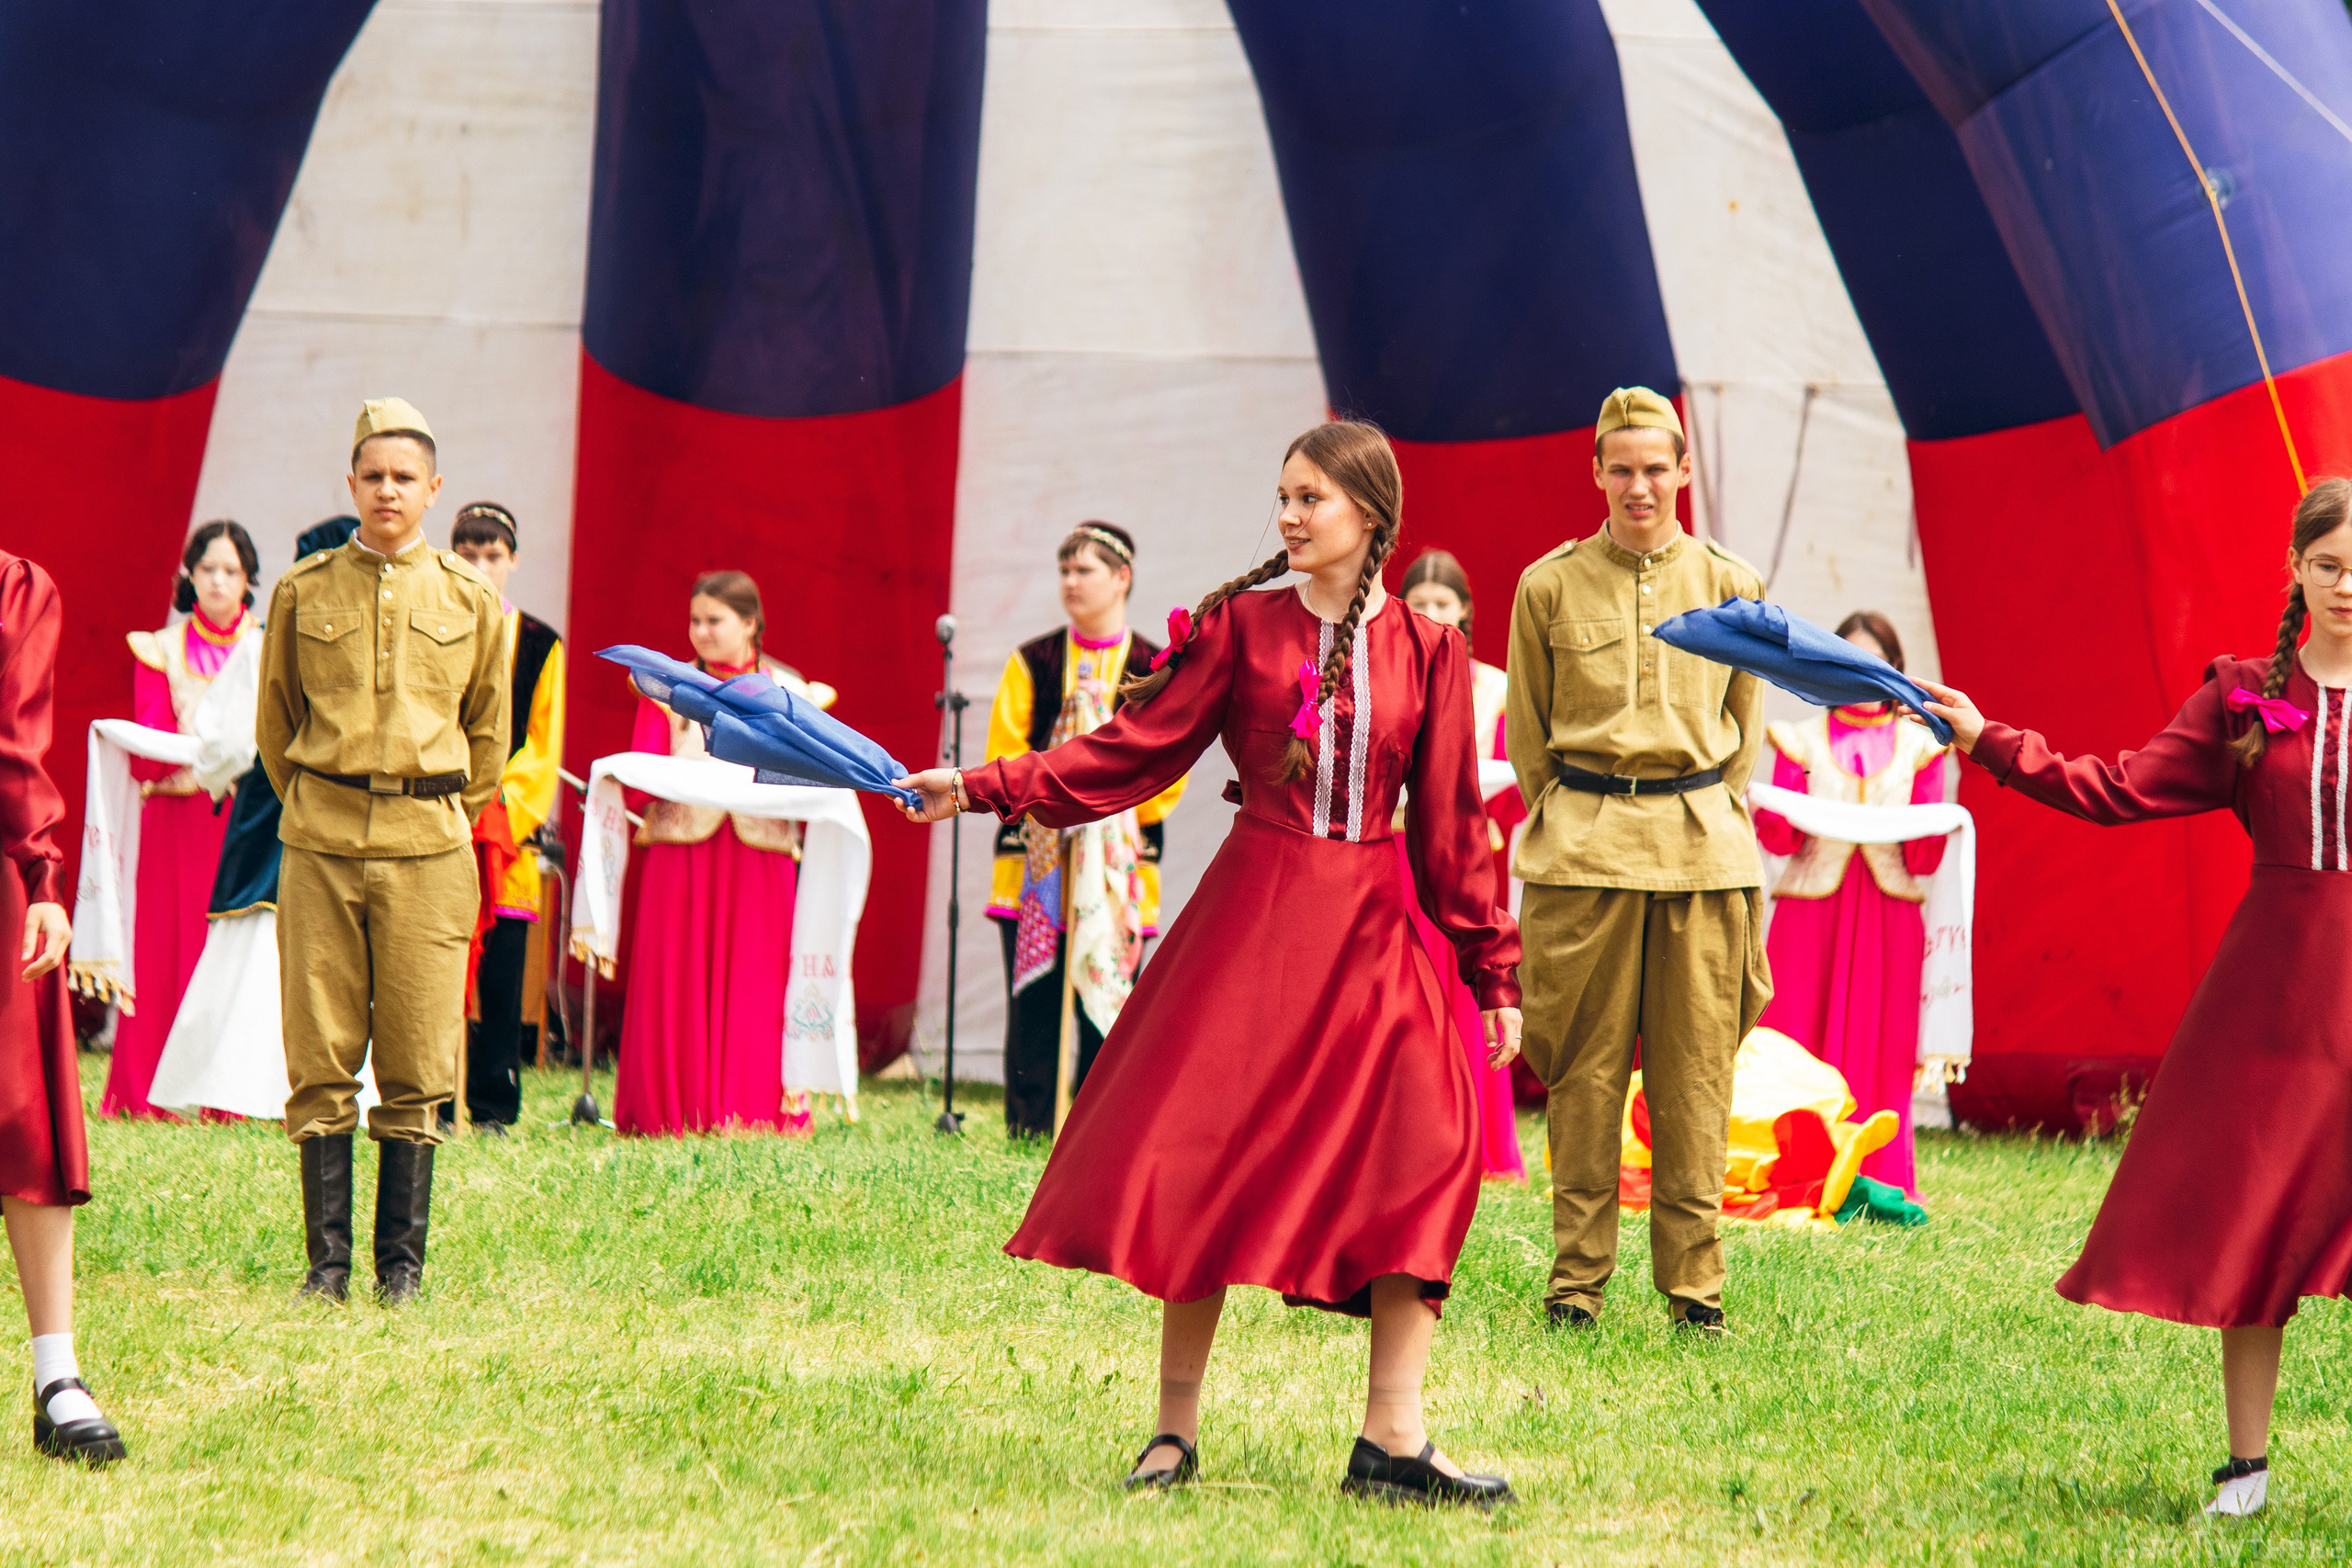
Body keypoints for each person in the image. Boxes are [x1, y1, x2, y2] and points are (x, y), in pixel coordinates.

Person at [897, 421, 1523, 1506]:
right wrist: (982, 784)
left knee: (1427, 1146)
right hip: (1256, 922)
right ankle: (1172, 1432)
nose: (1286, 515)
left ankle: (1393, 1442)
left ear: (1367, 515)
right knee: (1202, 1155)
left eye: (1309, 499)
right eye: (1280, 495)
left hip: (1374, 933)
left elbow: (1455, 827)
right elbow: (1129, 754)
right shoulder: (1243, 625)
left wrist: (1490, 967)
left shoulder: (1429, 651)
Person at [1919, 477, 2352, 1519]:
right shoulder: (2244, 694)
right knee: (2260, 1233)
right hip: (2276, 999)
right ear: (2296, 568)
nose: (2348, 586)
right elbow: (2117, 788)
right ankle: (2244, 1476)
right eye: (2331, 565)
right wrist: (1992, 742)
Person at [1506, 386, 1770, 1337]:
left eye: (1655, 468)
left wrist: (1703, 807)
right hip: (1581, 856)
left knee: (1696, 1080)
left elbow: (1746, 729)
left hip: (1700, 854)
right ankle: (1575, 1287)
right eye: (1620, 469)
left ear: (1683, 470)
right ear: (1596, 474)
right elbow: (1529, 735)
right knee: (1581, 1078)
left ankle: (1694, 1292)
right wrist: (1569, 815)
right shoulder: (1549, 584)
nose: (1638, 486)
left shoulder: (1734, 586)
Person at [256, 399, 507, 1304]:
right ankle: (325, 1271)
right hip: (320, 836)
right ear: (353, 484)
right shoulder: (303, 588)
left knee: (417, 1055)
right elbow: (275, 723)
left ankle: (399, 1272)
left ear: (433, 489)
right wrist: (329, 799)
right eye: (374, 476)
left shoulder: (475, 601)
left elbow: (488, 735)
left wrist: (427, 809)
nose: (389, 490)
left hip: (430, 845)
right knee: (319, 1052)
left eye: (406, 477)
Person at [150, 518, 369, 1121]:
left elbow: (222, 741)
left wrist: (221, 782)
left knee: (256, 940)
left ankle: (244, 1084)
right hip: (346, 811)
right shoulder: (376, 640)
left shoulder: (266, 639)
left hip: (272, 803)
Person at [615, 570, 833, 1136]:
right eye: (695, 621)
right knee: (676, 981)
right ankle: (670, 1113)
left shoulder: (792, 693)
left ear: (750, 623)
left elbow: (816, 780)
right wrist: (621, 781)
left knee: (758, 983)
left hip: (758, 856)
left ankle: (755, 1111)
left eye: (715, 621)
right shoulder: (667, 688)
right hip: (681, 854)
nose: (702, 633)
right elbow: (643, 775)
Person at [982, 522, 1182, 1137]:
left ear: (1122, 577)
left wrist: (1102, 806)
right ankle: (1029, 1131)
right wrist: (1054, 801)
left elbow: (1167, 771)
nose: (1070, 582)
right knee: (1035, 1004)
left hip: (1120, 868)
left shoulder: (1156, 666)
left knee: (1110, 1010)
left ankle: (1096, 1139)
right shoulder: (1032, 661)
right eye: (1064, 570)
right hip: (1036, 867)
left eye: (1084, 570)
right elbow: (1005, 757)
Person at [0, 547, 127, 1461]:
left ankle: (58, 1374)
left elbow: (16, 741)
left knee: (25, 1114)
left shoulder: (15, 586)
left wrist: (44, 877)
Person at [1751, 612, 1949, 1195]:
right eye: (1848, 659)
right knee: (1793, 1036)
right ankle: (1783, 1170)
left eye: (1875, 662)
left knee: (1881, 1041)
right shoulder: (1799, 739)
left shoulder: (1922, 746)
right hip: (1810, 913)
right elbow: (1778, 838)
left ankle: (1876, 1172)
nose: (1862, 674)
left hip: (1888, 916)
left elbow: (1925, 855)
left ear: (1895, 669)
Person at [97, 520, 261, 1118]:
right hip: (175, 820)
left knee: (233, 946)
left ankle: (231, 1096)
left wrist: (211, 745)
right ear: (189, 576)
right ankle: (149, 1092)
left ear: (248, 581)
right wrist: (214, 748)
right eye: (208, 568)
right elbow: (146, 746)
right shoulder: (156, 647)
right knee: (168, 944)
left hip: (243, 819)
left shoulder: (263, 648)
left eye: (231, 571)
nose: (218, 581)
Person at [1396, 548, 1525, 1180]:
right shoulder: (1383, 672)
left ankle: (1475, 1140)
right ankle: (1403, 1132)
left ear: (1465, 611)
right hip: (1393, 853)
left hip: (1465, 859)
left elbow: (1517, 781)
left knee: (1462, 988)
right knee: (1400, 989)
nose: (1428, 614)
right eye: (1417, 604)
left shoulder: (1497, 687)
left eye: (1440, 604)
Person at [441, 502, 563, 1134]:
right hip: (437, 820)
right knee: (434, 963)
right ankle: (433, 1095)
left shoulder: (541, 643)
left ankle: (492, 1101)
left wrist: (500, 811)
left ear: (512, 560)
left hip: (504, 833)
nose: (482, 566)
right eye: (469, 553)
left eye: (493, 555)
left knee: (500, 966)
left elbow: (543, 747)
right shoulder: (430, 627)